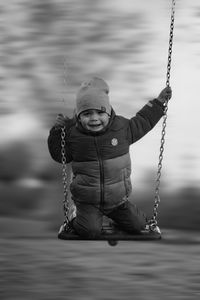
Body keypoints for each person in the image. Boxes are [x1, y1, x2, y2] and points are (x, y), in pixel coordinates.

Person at [48, 77, 172, 238]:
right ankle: (75, 216)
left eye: (100, 112)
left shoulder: (122, 129)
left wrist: (158, 103)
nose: (94, 118)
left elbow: (143, 121)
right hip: (88, 201)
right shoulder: (73, 136)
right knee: (90, 231)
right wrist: (57, 131)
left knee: (139, 225)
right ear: (78, 116)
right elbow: (60, 155)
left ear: (108, 112)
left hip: (117, 201)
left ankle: (116, 220)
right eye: (87, 114)